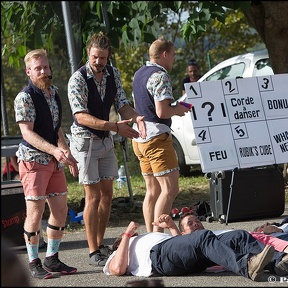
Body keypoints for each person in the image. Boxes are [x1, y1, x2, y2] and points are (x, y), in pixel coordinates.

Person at [67, 31, 146, 267]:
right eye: (94, 57)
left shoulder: (113, 73)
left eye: (102, 57)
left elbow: (122, 104)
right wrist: (114, 127)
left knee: (107, 195)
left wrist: (138, 118)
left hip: (106, 139)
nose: (98, 62)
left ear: (108, 56)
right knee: (91, 196)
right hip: (85, 141)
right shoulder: (78, 79)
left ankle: (100, 245)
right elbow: (81, 117)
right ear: (88, 54)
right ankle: (92, 251)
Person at [14, 49, 79, 279]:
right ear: (29, 71)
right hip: (33, 161)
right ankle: (33, 262)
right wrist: (54, 150)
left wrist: (66, 153)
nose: (43, 72)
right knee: (35, 211)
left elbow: (57, 128)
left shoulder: (54, 93)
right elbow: (27, 133)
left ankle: (52, 258)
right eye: (38, 68)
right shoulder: (25, 97)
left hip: (54, 161)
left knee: (61, 210)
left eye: (46, 67)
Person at [131, 37, 191, 233]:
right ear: (164, 54)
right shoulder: (160, 76)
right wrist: (179, 109)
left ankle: (150, 237)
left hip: (139, 138)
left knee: (152, 191)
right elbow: (162, 112)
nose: (174, 59)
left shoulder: (139, 73)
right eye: (173, 55)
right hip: (156, 138)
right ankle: (158, 238)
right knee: (169, 189)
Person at [103, 218, 275, 282]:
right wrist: (126, 234)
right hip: (159, 257)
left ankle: (280, 262)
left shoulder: (143, 239)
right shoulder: (117, 252)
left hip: (175, 254)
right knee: (202, 236)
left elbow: (183, 244)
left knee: (237, 235)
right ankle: (247, 266)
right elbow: (118, 269)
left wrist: (171, 226)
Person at [174, 212, 288, 275]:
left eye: (197, 221)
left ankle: (283, 261)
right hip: (211, 256)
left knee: (240, 235)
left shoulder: (211, 235)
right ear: (183, 233)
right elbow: (177, 246)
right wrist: (170, 226)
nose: (196, 224)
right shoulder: (185, 242)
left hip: (248, 241)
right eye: (190, 223)